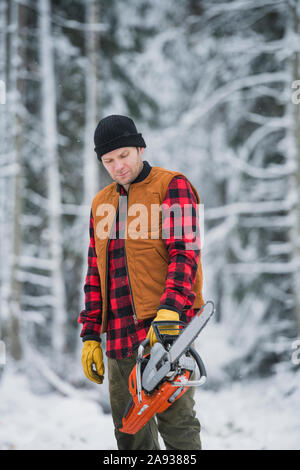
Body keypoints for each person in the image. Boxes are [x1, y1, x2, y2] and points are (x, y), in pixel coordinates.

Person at [78, 114, 205, 450]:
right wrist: (91, 333)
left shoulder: (171, 185)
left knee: (178, 429)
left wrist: (170, 311)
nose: (118, 166)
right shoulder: (100, 203)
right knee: (130, 435)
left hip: (164, 334)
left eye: (124, 155)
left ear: (140, 148)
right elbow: (95, 274)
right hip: (118, 339)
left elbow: (185, 252)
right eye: (108, 160)